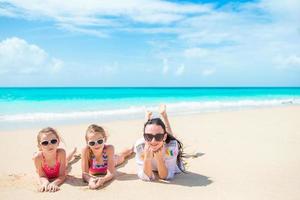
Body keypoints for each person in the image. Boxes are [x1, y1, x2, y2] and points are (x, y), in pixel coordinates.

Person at [134, 105, 185, 181]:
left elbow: (165, 176)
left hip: (167, 143)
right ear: (144, 137)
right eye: (148, 137)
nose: (153, 141)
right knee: (151, 131)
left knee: (170, 137)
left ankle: (164, 116)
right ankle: (148, 118)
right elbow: (145, 176)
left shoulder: (171, 148)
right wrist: (147, 159)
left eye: (158, 137)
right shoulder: (140, 146)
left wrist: (159, 159)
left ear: (164, 137)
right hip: (149, 140)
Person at [81, 124, 133, 189]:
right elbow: (85, 174)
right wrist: (90, 180)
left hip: (112, 160)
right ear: (87, 143)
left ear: (105, 139)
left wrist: (103, 180)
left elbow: (111, 173)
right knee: (119, 155)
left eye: (100, 141)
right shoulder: (85, 151)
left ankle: (132, 148)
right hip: (104, 162)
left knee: (123, 155)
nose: (96, 145)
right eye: (92, 143)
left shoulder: (109, 149)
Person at [33, 127, 77, 192]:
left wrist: (54, 183)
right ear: (40, 146)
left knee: (67, 160)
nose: (50, 145)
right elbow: (42, 176)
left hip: (60, 163)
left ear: (58, 142)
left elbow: (62, 175)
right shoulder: (38, 158)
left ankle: (73, 151)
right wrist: (45, 183)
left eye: (53, 141)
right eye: (45, 143)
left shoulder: (61, 153)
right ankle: (36, 152)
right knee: (35, 156)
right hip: (41, 159)